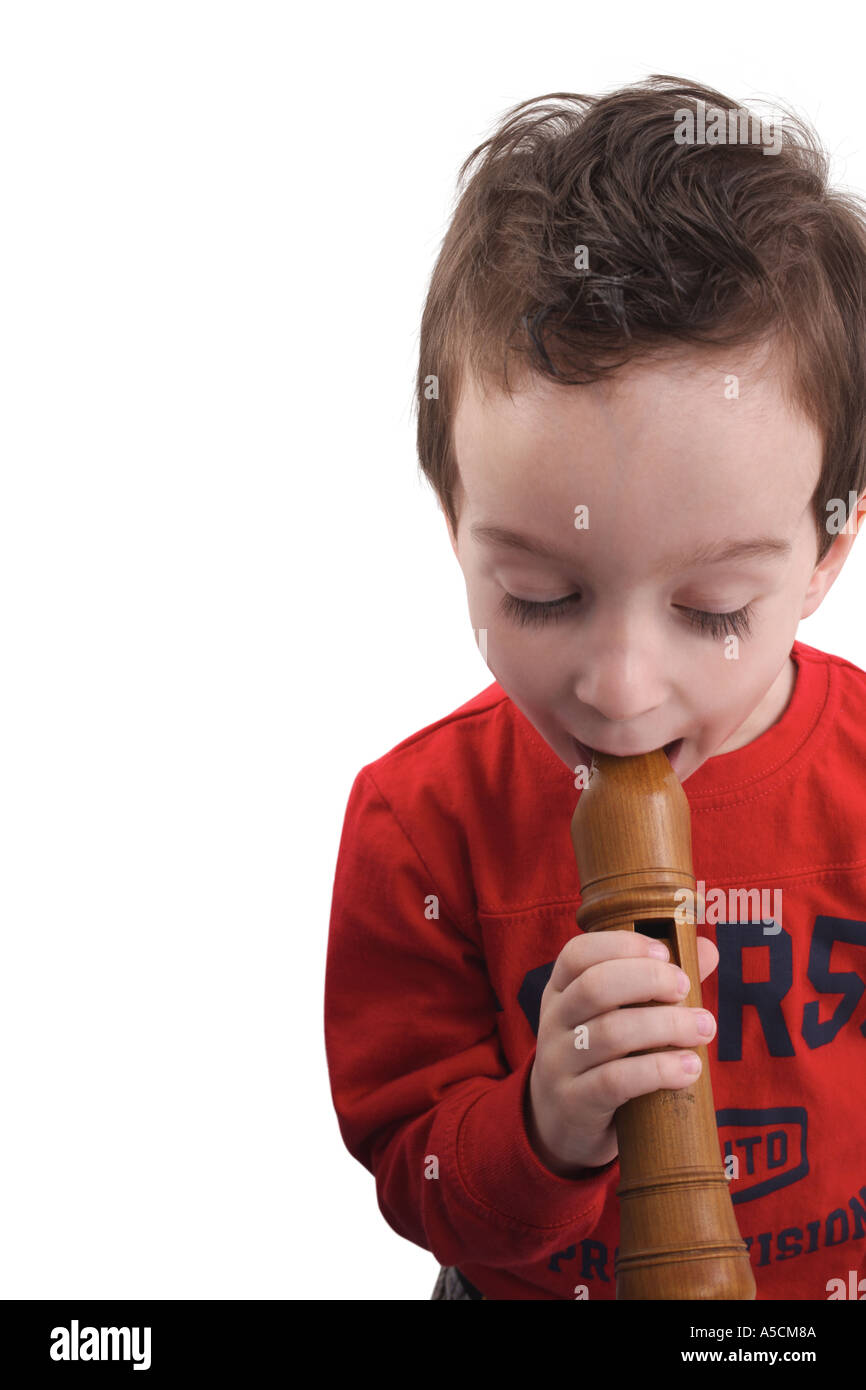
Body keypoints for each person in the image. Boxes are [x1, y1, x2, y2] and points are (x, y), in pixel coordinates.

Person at [324, 75, 866, 1300]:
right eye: (540, 594)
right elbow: (413, 1176)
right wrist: (540, 1125)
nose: (620, 691)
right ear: (457, 525)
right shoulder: (418, 824)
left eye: (712, 611)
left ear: (828, 549)